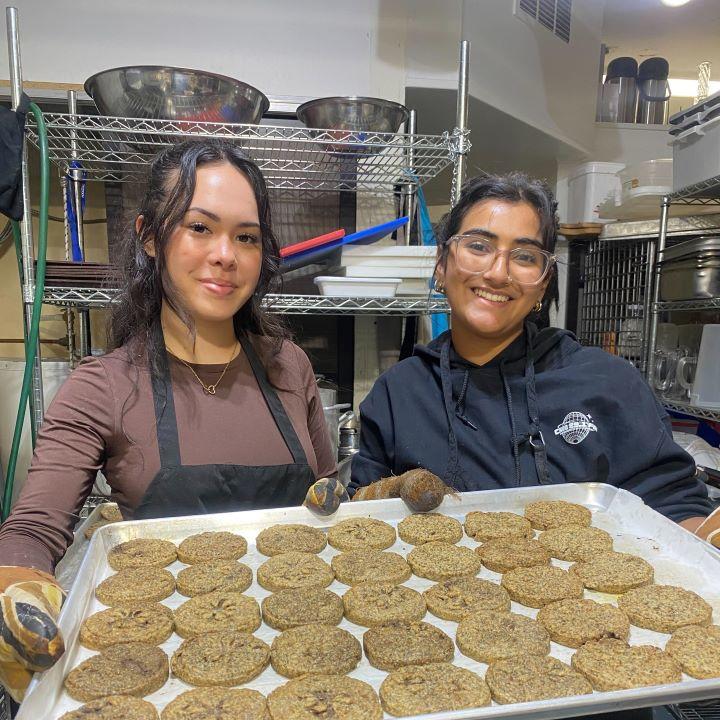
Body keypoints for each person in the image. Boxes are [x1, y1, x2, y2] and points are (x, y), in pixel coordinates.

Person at [0, 139, 341, 702]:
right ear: (150, 237)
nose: (226, 254)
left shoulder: (290, 365)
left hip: (307, 663)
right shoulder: (104, 385)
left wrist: (383, 498)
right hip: (160, 679)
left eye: (247, 236)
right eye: (200, 228)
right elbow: (32, 532)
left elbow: (328, 502)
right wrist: (18, 590)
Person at [351, 172, 713, 532]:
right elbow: (362, 515)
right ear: (442, 265)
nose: (497, 273)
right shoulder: (398, 394)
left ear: (542, 285)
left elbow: (674, 503)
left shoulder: (608, 382)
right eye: (478, 246)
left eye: (524, 256)